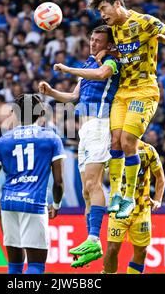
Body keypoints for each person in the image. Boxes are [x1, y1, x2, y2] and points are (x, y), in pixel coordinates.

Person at [89, 0, 165, 218]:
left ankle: (129, 198)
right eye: (99, 11)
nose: (102, 15)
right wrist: (104, 52)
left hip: (144, 90)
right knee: (116, 142)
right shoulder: (113, 30)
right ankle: (117, 194)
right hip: (122, 92)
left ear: (117, 3)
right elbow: (111, 51)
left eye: (104, 9)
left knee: (130, 141)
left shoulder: (145, 21)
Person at [39, 25, 120, 268]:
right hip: (85, 130)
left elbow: (101, 75)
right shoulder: (87, 64)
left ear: (109, 45)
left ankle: (95, 238)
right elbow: (74, 97)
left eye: (98, 41)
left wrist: (65, 68)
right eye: (92, 40)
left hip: (100, 124)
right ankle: (90, 242)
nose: (93, 44)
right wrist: (51, 91)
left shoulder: (113, 62)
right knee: (86, 191)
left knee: (93, 184)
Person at [0, 94, 65, 274]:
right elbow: (58, 182)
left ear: (15, 113)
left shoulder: (2, 141)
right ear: (42, 112)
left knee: (14, 266)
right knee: (36, 266)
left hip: (8, 204)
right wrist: (57, 205)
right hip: (34, 204)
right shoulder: (51, 138)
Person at [103, 141, 165, 274]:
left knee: (141, 252)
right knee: (112, 249)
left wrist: (158, 200)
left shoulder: (148, 150)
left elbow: (160, 177)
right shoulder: (113, 149)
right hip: (118, 208)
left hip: (141, 210)